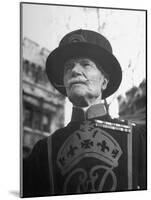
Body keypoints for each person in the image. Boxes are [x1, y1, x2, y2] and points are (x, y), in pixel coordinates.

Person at [23, 29, 146, 197]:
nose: (74, 71)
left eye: (86, 64)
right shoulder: (42, 152)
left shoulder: (139, 139)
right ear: (65, 83)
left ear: (104, 81)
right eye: (68, 67)